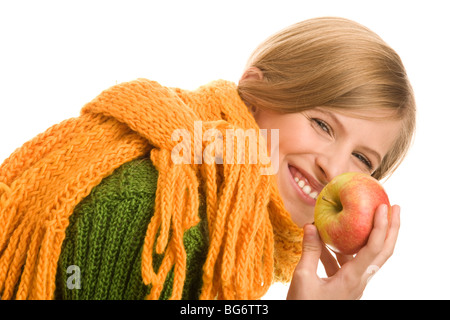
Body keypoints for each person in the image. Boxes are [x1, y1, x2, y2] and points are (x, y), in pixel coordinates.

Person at [0, 17, 415, 300]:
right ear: (255, 97)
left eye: (362, 158)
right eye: (322, 125)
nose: (334, 168)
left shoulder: (239, 231)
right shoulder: (156, 214)